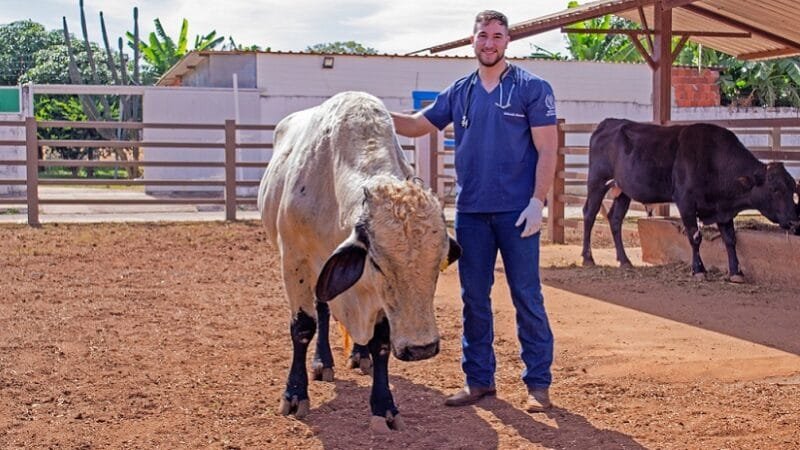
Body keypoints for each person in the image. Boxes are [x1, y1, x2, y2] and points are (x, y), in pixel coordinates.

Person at [391, 10, 558, 412]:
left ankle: (538, 385)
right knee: (474, 300)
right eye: (483, 35)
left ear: (507, 42)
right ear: (472, 40)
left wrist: (538, 201)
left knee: (526, 296)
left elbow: (547, 148)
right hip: (472, 214)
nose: (490, 42)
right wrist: (371, 112)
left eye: (497, 36)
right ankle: (479, 381)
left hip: (518, 213)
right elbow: (417, 125)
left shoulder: (532, 88)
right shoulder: (459, 91)